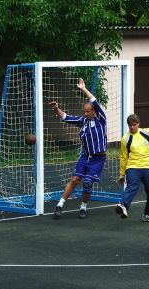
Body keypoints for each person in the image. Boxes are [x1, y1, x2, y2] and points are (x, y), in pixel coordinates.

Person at [49, 78, 107, 219]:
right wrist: (56, 108)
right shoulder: (83, 121)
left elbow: (93, 100)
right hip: (85, 157)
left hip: (98, 158)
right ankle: (60, 205)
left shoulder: (101, 119)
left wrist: (83, 89)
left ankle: (83, 208)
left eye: (88, 111)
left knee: (87, 183)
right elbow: (65, 117)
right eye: (84, 111)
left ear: (94, 111)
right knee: (75, 179)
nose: (86, 113)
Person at [115, 114, 149, 223]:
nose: (132, 127)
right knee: (132, 186)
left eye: (134, 125)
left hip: (147, 167)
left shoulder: (146, 132)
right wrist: (121, 174)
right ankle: (123, 206)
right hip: (133, 167)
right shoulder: (125, 139)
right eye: (130, 125)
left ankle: (147, 214)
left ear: (138, 124)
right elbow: (123, 157)